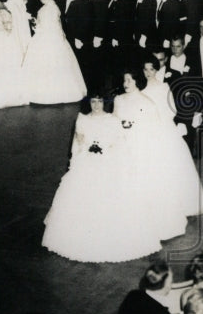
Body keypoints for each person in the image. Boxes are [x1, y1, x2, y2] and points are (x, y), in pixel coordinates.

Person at [43, 93, 165, 262]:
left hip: (109, 161)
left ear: (104, 103)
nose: (97, 105)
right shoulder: (82, 119)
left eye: (100, 101)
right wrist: (85, 151)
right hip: (86, 162)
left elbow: (119, 143)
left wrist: (106, 151)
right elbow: (78, 143)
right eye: (93, 101)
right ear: (89, 103)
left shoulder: (112, 120)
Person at [113, 70, 203, 241]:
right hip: (121, 146)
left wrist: (133, 128)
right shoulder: (118, 100)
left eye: (130, 80)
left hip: (139, 146)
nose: (126, 83)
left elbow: (152, 129)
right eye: (124, 80)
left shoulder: (147, 102)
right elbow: (113, 121)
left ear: (137, 81)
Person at [21, 0, 87, 104]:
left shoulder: (46, 9)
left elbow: (44, 28)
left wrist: (33, 23)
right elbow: (55, 26)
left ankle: (46, 94)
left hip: (46, 39)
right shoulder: (54, 6)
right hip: (56, 38)